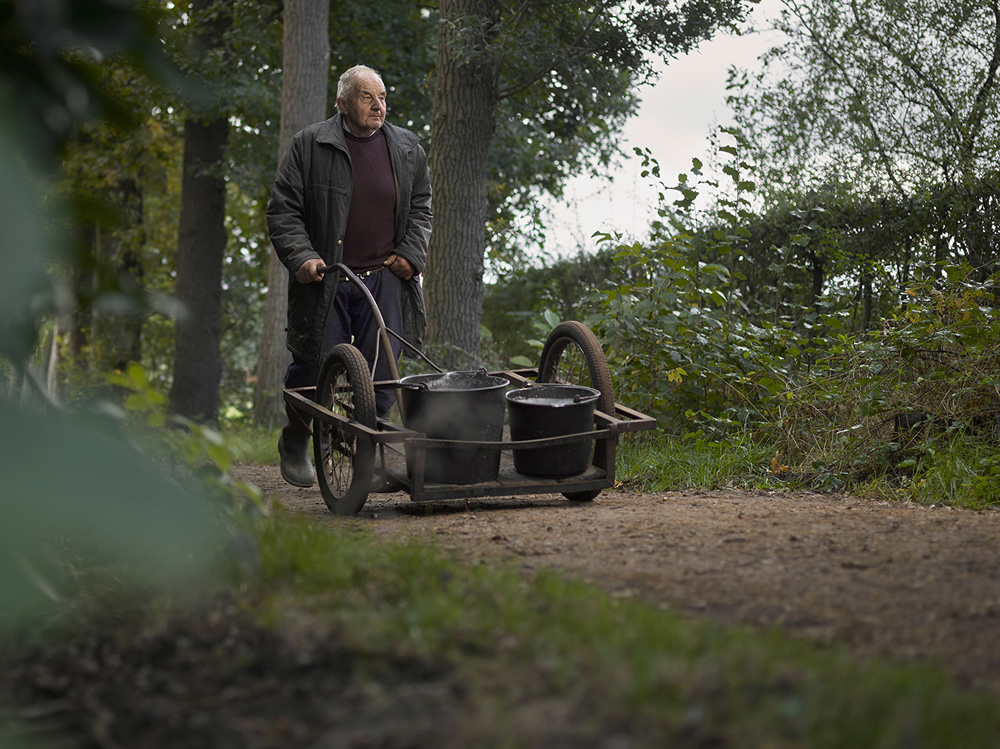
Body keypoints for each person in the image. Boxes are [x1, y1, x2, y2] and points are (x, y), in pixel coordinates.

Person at [266, 64, 432, 487]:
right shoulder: (310, 144)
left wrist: (411, 254)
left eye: (381, 97)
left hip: (384, 277)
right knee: (314, 368)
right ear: (342, 103)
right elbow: (283, 209)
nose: (378, 106)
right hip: (327, 279)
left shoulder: (407, 147)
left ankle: (362, 453)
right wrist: (301, 256)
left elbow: (421, 208)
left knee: (382, 375)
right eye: (366, 97)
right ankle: (300, 438)